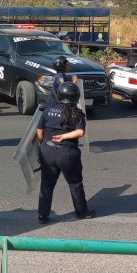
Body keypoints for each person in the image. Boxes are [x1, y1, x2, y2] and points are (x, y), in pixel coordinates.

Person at [36, 81, 94, 224]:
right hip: (67, 153)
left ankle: (42, 215)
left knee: (46, 185)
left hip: (47, 151)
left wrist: (43, 143)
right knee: (75, 183)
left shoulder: (48, 110)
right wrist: (64, 137)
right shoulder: (77, 113)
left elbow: (39, 130)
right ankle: (82, 213)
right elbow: (80, 132)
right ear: (76, 97)